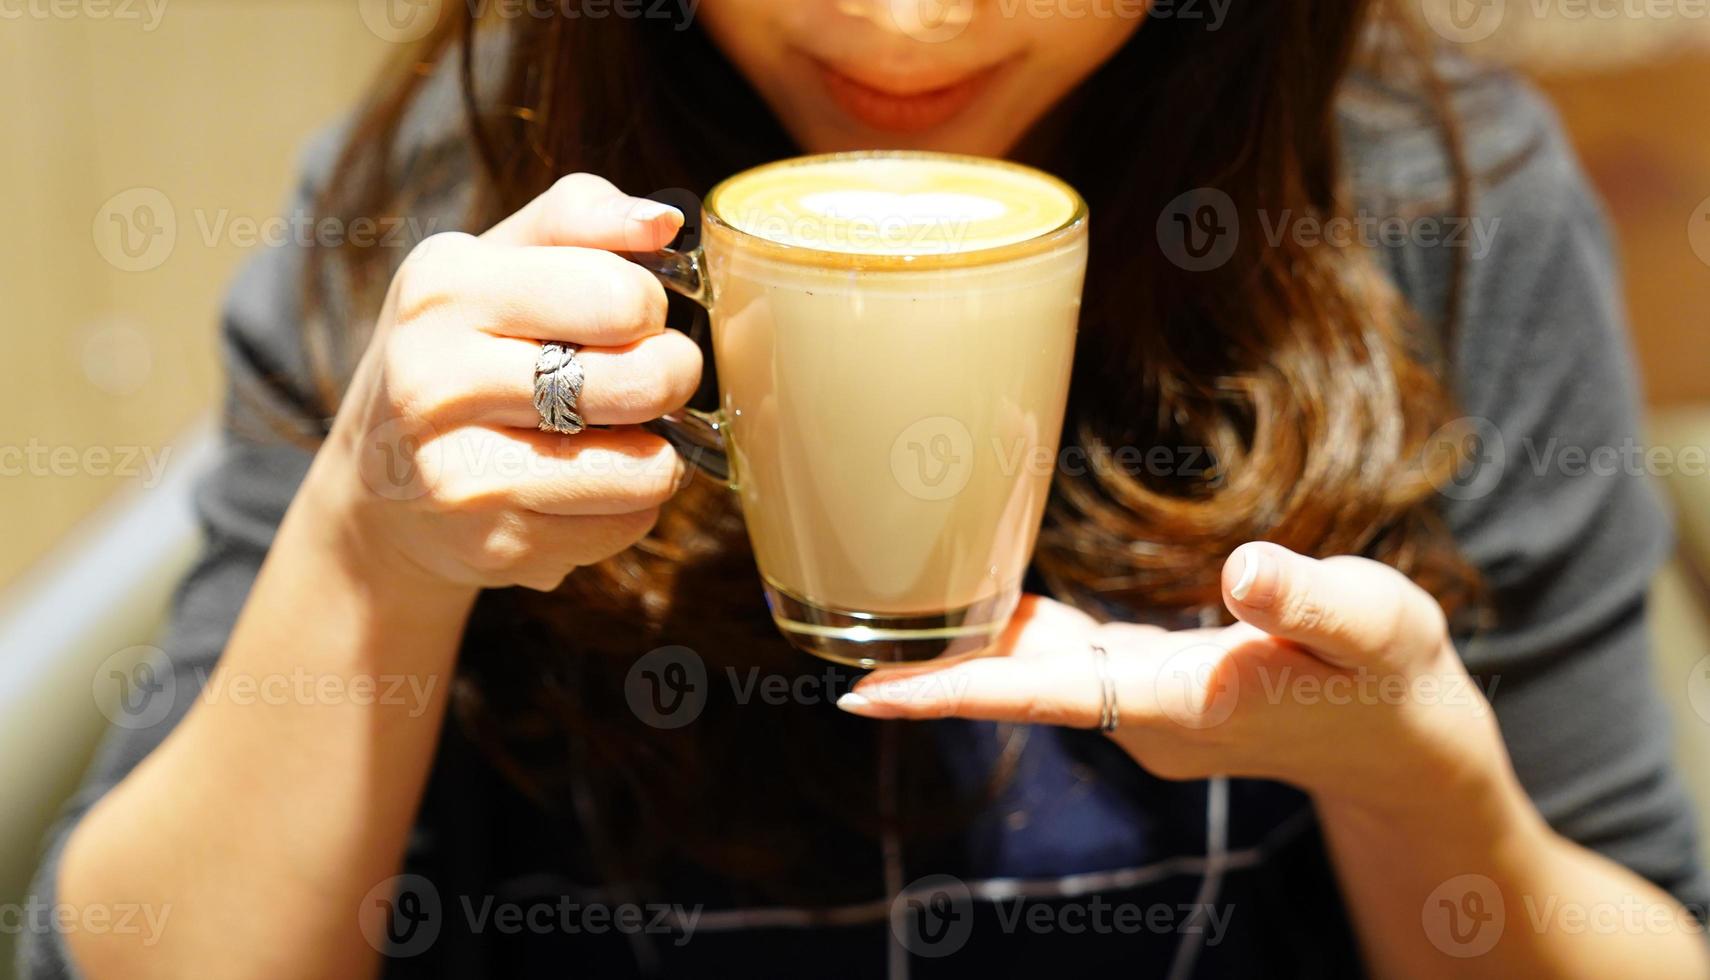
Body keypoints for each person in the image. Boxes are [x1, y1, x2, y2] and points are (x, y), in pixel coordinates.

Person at [24, 1, 1710, 977]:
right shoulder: (444, 206)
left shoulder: (1432, 208)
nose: (906, 20)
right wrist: (364, 549)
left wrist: (1423, 793)